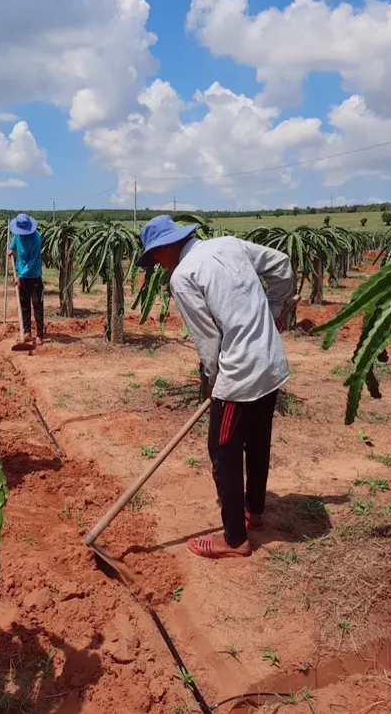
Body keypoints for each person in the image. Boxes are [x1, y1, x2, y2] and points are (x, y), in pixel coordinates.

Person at [136, 215, 293, 560]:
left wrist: (211, 380)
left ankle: (235, 539)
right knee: (258, 439)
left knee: (223, 450)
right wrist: (275, 311)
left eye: (155, 257)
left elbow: (208, 341)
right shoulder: (229, 244)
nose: (157, 265)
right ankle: (255, 512)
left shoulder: (183, 276)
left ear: (166, 247)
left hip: (239, 374)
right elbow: (281, 264)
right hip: (270, 361)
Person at [9, 213, 44, 346]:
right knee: (24, 306)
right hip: (21, 275)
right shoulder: (18, 233)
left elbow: (32, 261)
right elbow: (14, 240)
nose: (21, 234)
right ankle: (27, 332)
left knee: (37, 305)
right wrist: (11, 249)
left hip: (34, 276)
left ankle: (40, 334)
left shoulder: (36, 239)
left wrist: (21, 276)